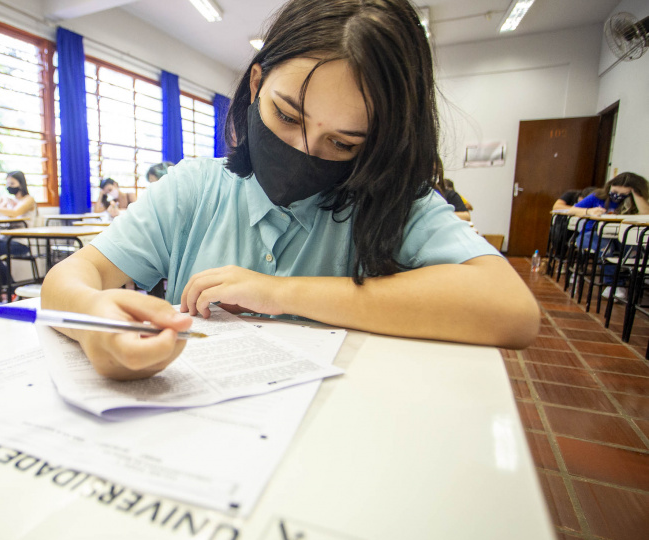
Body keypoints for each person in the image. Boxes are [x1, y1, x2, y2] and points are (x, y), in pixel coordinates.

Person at [41, 0, 540, 380]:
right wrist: (92, 321)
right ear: (256, 84)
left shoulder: (392, 204)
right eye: (286, 115)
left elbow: (511, 311)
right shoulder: (196, 188)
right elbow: (73, 277)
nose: (303, 150)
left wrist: (280, 292)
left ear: (380, 143)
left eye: (342, 142)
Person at [568, 173, 649, 291]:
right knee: (606, 247)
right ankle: (614, 285)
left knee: (632, 248)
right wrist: (589, 211)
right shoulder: (597, 196)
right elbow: (572, 210)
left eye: (623, 194)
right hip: (590, 233)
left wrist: (636, 195)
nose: (617, 196)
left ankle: (625, 283)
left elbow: (646, 215)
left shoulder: (632, 202)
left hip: (618, 236)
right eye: (615, 191)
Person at [0, 171, 37, 301]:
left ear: (21, 184)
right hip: (7, 239)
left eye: (12, 183)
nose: (9, 186)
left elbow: (14, 213)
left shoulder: (28, 200)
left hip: (21, 242)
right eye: (7, 183)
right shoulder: (10, 201)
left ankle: (12, 290)